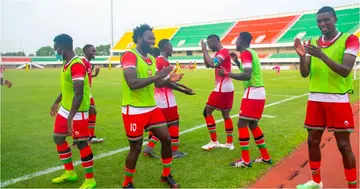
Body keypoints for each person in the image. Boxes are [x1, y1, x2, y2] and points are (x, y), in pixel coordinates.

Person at [294, 6, 359, 189]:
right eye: (319, 21)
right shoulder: (313, 41)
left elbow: (345, 70)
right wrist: (302, 57)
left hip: (337, 100)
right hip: (315, 99)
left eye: (326, 20)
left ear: (335, 19)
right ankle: (316, 182)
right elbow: (305, 73)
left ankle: (352, 186)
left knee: (344, 146)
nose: (322, 24)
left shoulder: (350, 39)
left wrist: (321, 55)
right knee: (312, 141)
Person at [120, 24, 183, 188]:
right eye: (150, 38)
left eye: (154, 39)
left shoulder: (152, 59)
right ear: (139, 39)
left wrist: (170, 79)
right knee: (136, 148)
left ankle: (166, 175)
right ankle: (127, 183)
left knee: (166, 138)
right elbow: (132, 83)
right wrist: (160, 76)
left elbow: (157, 83)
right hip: (133, 109)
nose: (153, 41)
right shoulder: (129, 56)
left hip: (151, 108)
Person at [219, 32, 272, 168]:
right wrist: (236, 61)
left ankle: (245, 161)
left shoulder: (246, 53)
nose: (235, 43)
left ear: (241, 40)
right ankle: (265, 157)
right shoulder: (251, 52)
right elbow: (248, 70)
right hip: (258, 91)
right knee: (253, 124)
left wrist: (227, 73)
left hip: (252, 91)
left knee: (241, 124)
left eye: (237, 40)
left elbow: (247, 75)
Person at [50, 34, 96, 188]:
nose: (55, 51)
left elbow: (78, 93)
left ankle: (90, 180)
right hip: (65, 109)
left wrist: (70, 117)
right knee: (58, 138)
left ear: (62, 47)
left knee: (82, 143)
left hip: (77, 112)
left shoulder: (76, 64)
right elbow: (67, 89)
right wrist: (56, 103)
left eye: (56, 48)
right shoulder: (66, 63)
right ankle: (70, 172)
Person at [143, 39, 195, 158]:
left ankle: (149, 148)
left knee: (164, 124)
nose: (172, 49)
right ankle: (174, 151)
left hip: (163, 98)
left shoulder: (165, 61)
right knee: (174, 123)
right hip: (164, 99)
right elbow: (162, 82)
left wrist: (182, 86)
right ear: (166, 47)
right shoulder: (160, 61)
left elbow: (169, 80)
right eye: (171, 46)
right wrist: (183, 90)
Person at [200, 34, 235, 150]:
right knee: (226, 115)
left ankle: (214, 141)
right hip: (228, 88)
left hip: (222, 88)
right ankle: (229, 143)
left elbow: (212, 64)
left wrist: (205, 50)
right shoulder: (218, 53)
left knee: (207, 112)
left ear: (215, 41)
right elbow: (207, 64)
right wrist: (204, 52)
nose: (209, 47)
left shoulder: (224, 51)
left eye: (210, 44)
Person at [82, 44, 104, 144]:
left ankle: (90, 137)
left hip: (87, 92)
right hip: (82, 92)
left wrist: (96, 74)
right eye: (93, 51)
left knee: (92, 112)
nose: (94, 53)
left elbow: (88, 77)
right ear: (86, 51)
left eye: (95, 51)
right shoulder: (83, 62)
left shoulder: (88, 64)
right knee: (83, 114)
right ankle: (80, 138)